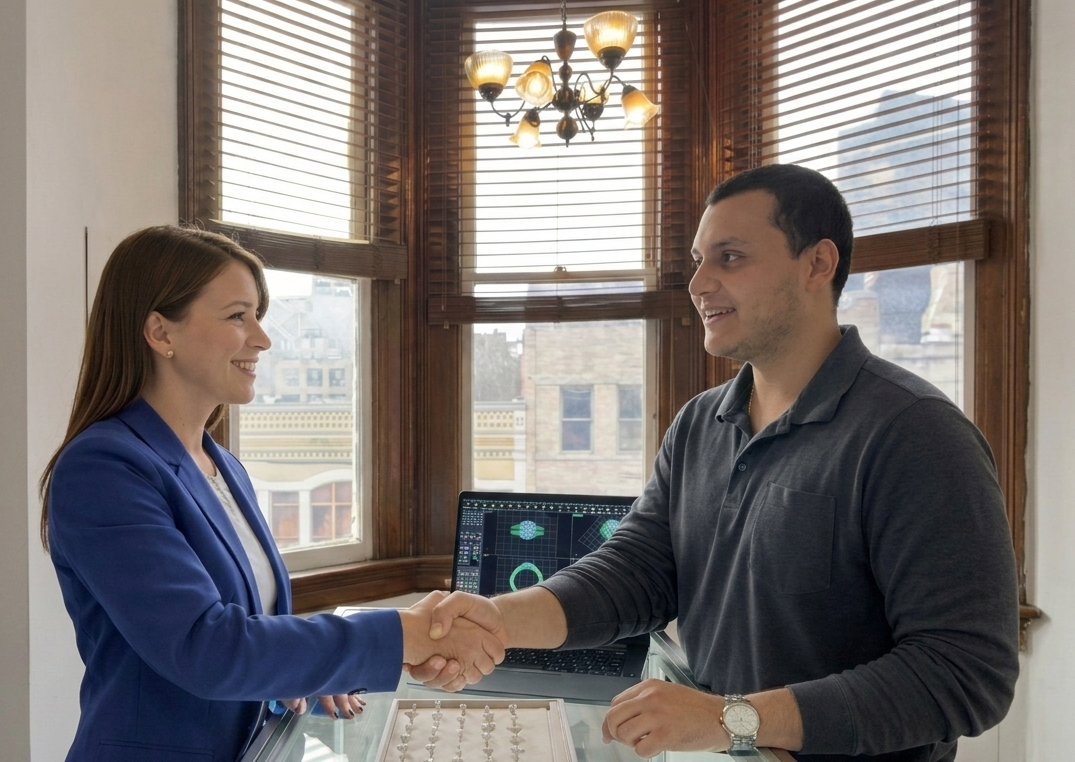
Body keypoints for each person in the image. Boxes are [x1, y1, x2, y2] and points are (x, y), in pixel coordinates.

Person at [412, 165, 1020, 761]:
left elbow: (967, 672)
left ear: (818, 264)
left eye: (730, 258)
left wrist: (733, 719)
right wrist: (494, 618)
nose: (699, 283)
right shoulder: (700, 422)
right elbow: (635, 575)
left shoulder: (916, 433)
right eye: (698, 261)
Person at [40, 226, 503, 762]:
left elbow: (253, 626)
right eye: (238, 316)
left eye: (258, 315)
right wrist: (406, 633)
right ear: (160, 331)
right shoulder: (104, 468)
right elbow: (206, 647)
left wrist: (315, 666)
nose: (262, 338)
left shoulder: (222, 464)